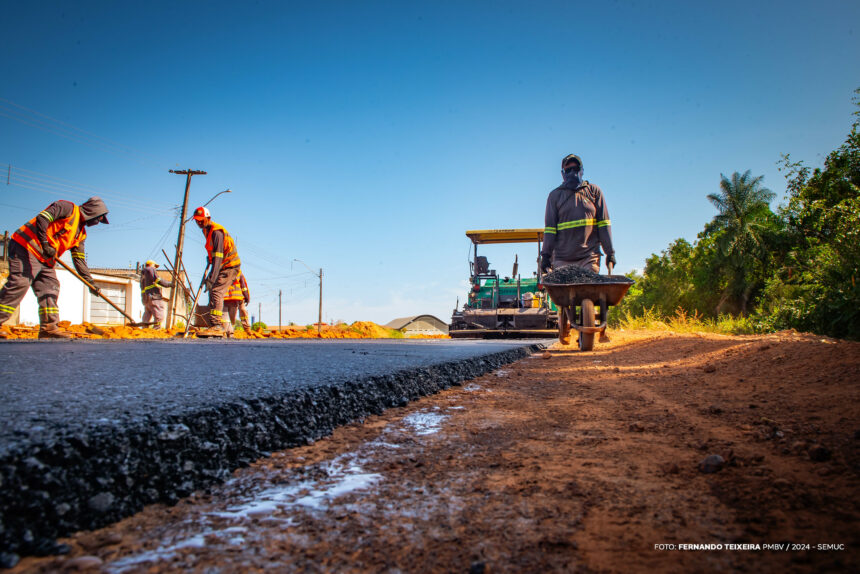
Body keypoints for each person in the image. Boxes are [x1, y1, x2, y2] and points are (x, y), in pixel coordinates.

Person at [0, 197, 109, 339]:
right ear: (93, 211)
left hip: (46, 259)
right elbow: (42, 218)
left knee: (50, 288)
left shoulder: (80, 235)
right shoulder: (67, 208)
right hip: (26, 247)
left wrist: (90, 283)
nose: (97, 223)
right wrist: (45, 244)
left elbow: (79, 261)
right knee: (20, 282)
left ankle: (49, 328)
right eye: (99, 219)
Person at [540, 154, 615, 344]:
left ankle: (601, 327)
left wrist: (610, 252)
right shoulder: (555, 196)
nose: (573, 173)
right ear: (562, 174)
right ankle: (564, 323)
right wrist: (546, 255)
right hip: (563, 258)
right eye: (568, 170)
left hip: (588, 257)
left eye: (576, 169)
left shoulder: (594, 192)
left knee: (593, 291)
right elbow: (549, 230)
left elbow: (604, 225)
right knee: (565, 297)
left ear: (582, 171)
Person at [191, 206, 241, 337]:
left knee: (216, 291)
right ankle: (215, 324)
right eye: (197, 221)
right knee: (214, 291)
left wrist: (211, 278)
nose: (199, 223)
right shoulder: (207, 231)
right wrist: (210, 259)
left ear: (208, 218)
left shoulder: (216, 232)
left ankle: (217, 325)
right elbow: (214, 254)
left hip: (230, 266)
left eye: (201, 220)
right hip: (223, 265)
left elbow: (219, 256)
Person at [139, 260, 174, 329]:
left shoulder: (143, 275)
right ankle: (156, 329)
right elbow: (157, 279)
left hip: (146, 298)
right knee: (159, 313)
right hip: (154, 296)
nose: (155, 268)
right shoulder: (150, 269)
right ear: (151, 264)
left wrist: (144, 299)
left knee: (147, 313)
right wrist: (169, 284)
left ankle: (144, 329)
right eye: (155, 266)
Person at [223, 270, 253, 338]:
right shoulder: (238, 271)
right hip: (236, 297)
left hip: (225, 297)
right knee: (236, 315)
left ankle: (229, 332)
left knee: (226, 317)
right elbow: (243, 284)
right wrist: (246, 296)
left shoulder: (222, 270)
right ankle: (247, 330)